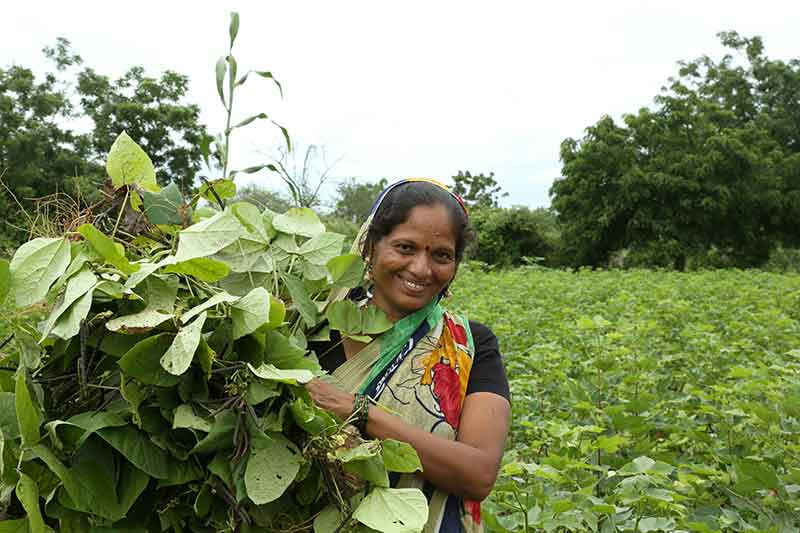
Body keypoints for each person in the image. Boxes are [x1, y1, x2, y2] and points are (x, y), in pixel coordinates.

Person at [305, 178, 511, 532]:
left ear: (456, 265)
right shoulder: (310, 330)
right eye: (404, 247)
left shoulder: (470, 345)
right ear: (370, 247)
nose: (421, 268)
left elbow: (478, 474)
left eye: (441, 255)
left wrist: (361, 414)